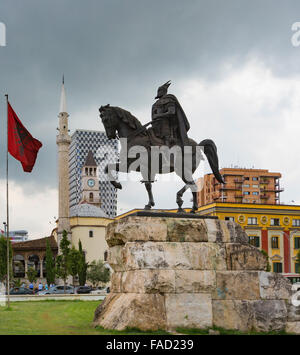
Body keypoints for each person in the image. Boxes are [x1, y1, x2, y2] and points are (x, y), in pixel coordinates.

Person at [151, 80, 190, 147]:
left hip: (166, 125)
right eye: (158, 91)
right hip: (156, 125)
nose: (159, 92)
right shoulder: (155, 104)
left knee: (166, 138)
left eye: (160, 91)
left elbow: (171, 112)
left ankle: (168, 149)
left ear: (164, 91)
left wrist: (158, 115)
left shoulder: (169, 100)